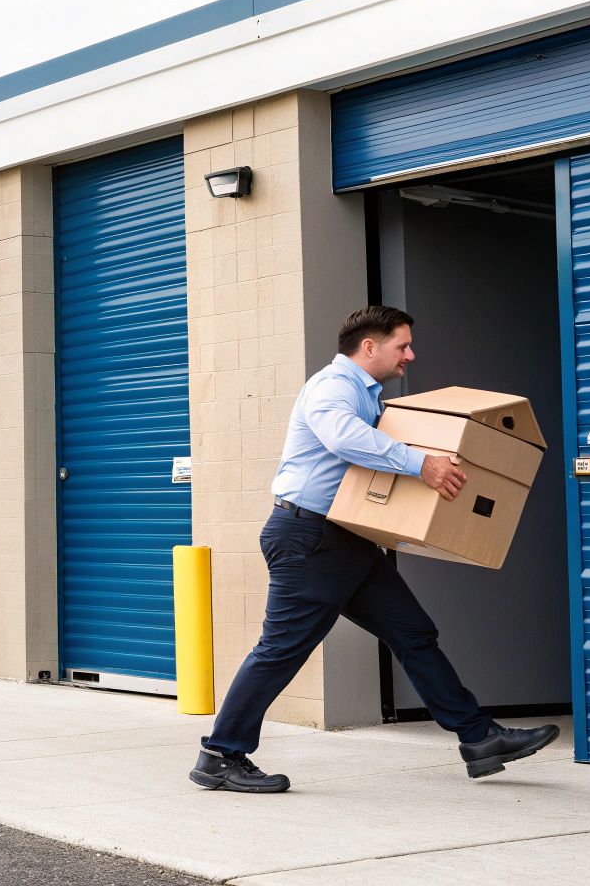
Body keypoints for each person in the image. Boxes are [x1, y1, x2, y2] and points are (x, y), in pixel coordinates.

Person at [190, 305, 558, 793]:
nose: (411, 355)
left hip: (347, 538)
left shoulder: (368, 395)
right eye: (402, 345)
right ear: (370, 346)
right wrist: (420, 463)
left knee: (413, 632)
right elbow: (343, 438)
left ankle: (479, 738)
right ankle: (220, 755)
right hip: (309, 537)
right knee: (281, 648)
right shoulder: (333, 387)